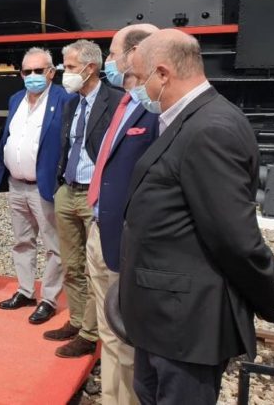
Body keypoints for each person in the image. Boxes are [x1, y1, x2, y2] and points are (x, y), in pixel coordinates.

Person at [120, 29, 274, 404]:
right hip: (162, 318)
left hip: (185, 327)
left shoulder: (211, 129)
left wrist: (272, 299)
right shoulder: (189, 119)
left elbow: (235, 238)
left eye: (140, 79)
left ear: (162, 74)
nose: (137, 89)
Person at [85, 24, 159, 404]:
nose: (108, 62)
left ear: (134, 55)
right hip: (100, 229)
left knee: (125, 337)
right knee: (108, 330)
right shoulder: (123, 101)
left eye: (112, 54)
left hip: (125, 240)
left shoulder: (152, 110)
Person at [45, 39, 123, 358]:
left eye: (72, 67)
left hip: (95, 196)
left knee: (95, 268)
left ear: (91, 68)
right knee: (72, 264)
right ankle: (76, 321)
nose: (66, 73)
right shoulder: (71, 103)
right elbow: (67, 145)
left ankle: (90, 334)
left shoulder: (115, 101)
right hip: (68, 190)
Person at [0, 48, 73, 324]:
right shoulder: (16, 99)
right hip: (17, 185)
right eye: (27, 72)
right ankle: (26, 291)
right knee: (22, 241)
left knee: (54, 245)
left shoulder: (64, 99)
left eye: (39, 71)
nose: (33, 76)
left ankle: (49, 298)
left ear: (51, 72)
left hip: (44, 186)